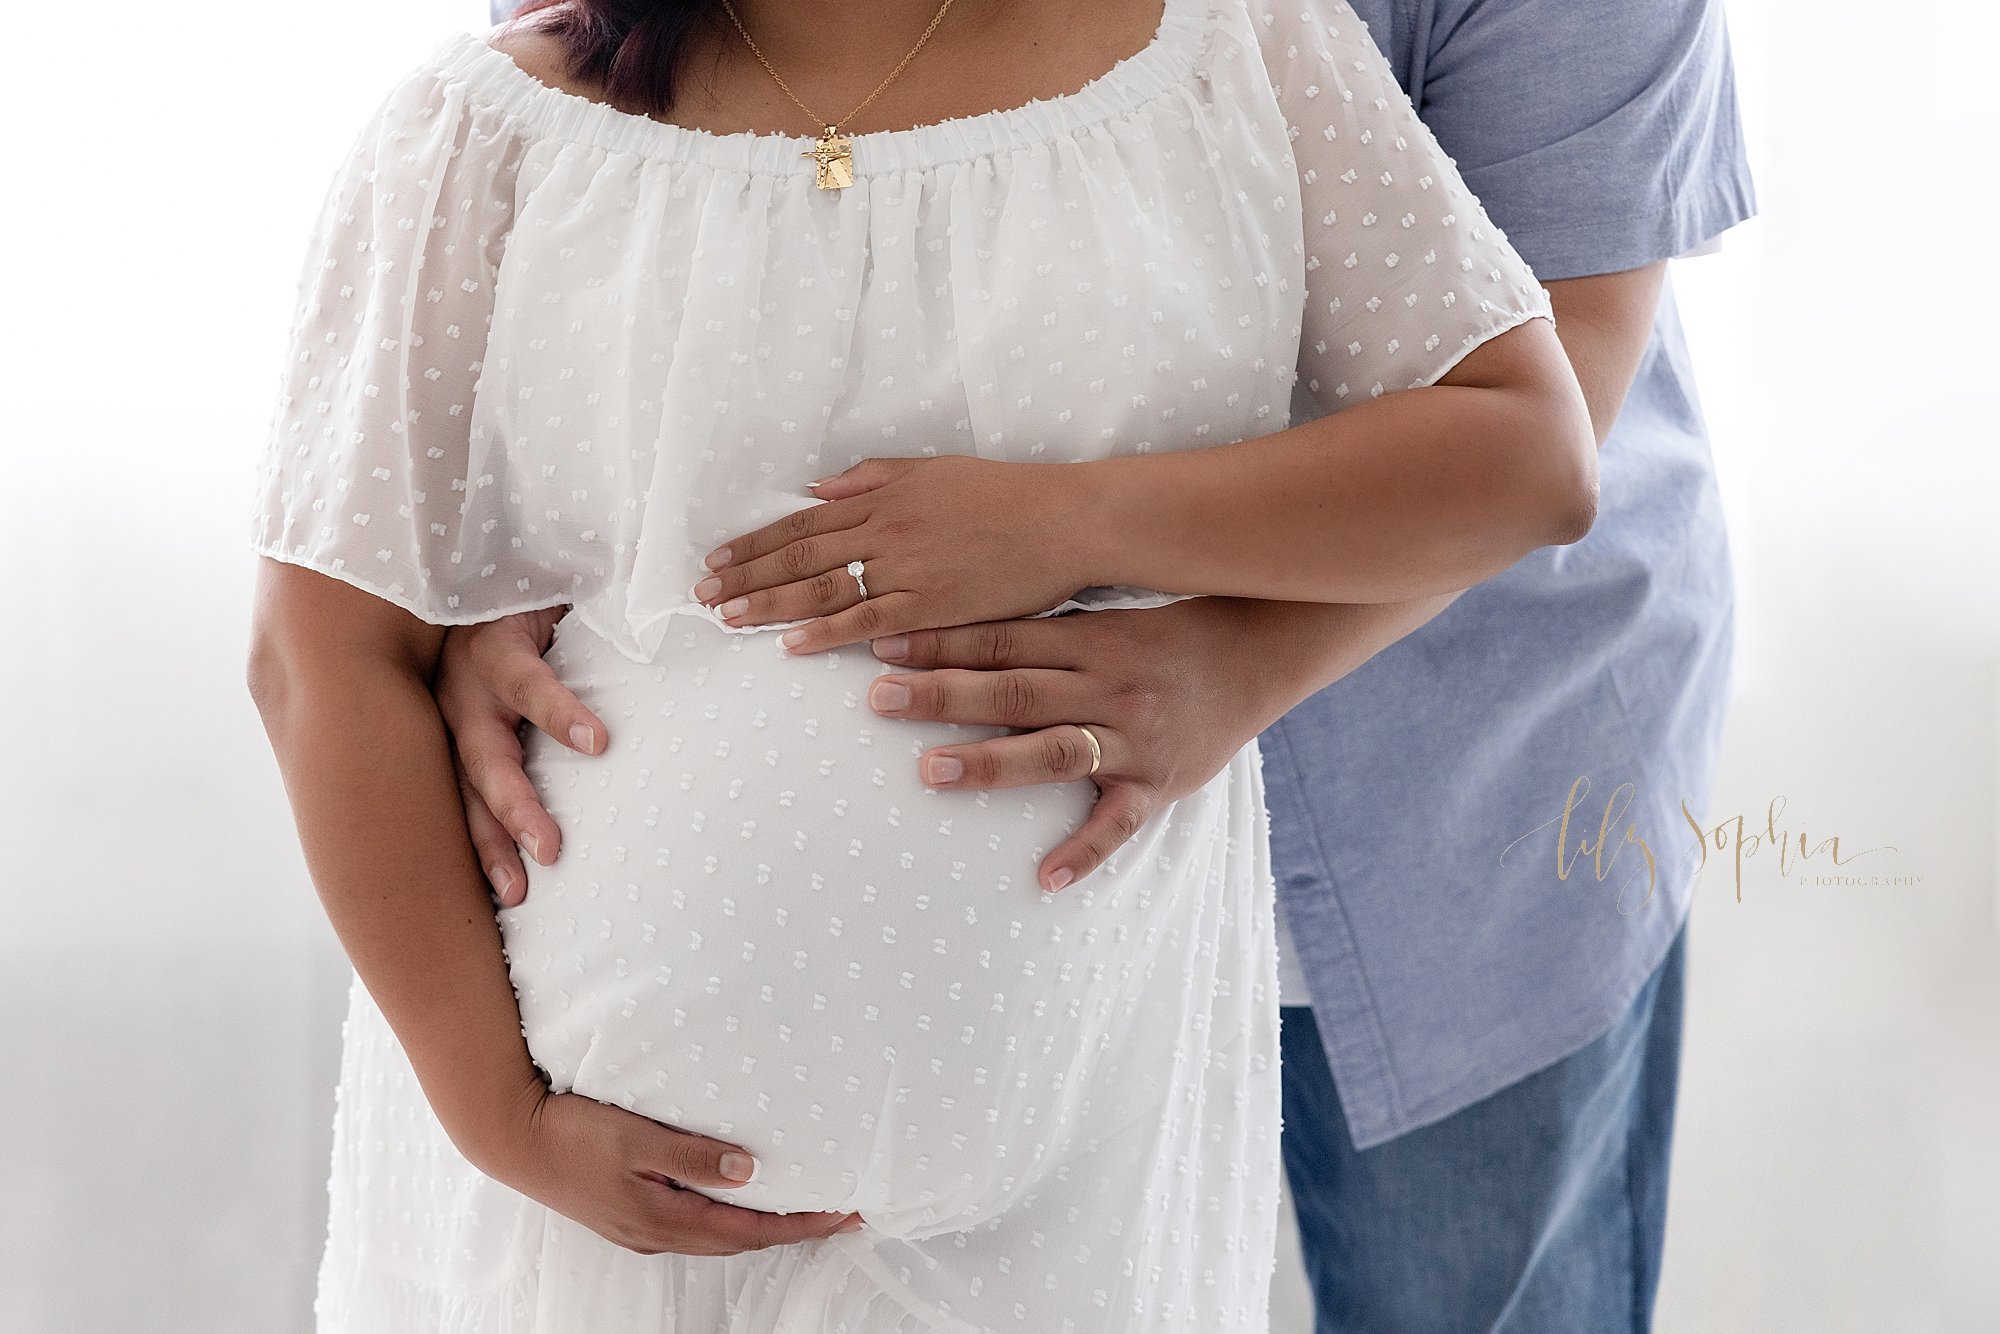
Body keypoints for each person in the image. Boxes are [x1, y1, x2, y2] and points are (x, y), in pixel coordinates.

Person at [246, 0, 1595, 1329]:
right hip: (581, 1236)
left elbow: (1526, 457)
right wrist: (503, 1117)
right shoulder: (483, 130)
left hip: (1074, 1212)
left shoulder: (1235, 47)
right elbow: (322, 657)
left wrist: (1078, 522)